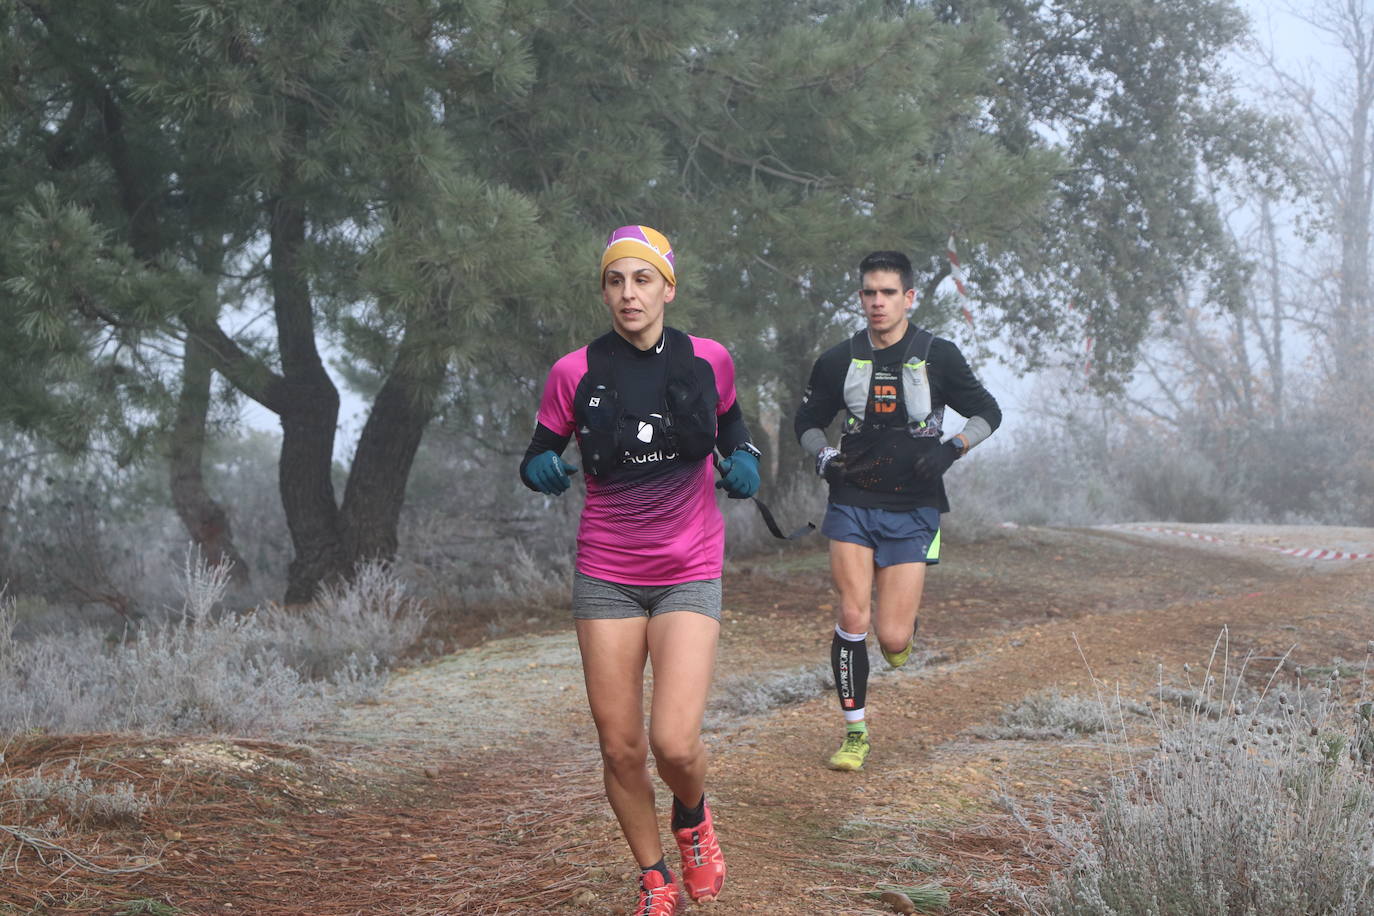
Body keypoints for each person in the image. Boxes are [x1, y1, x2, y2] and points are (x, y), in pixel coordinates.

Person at [519, 225, 760, 915]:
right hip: (607, 573)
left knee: (674, 742)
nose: (629, 293)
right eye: (616, 280)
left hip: (688, 566)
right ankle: (654, 878)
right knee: (622, 748)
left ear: (668, 288)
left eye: (643, 279)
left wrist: (745, 463)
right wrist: (540, 470)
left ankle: (693, 818)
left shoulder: (708, 359)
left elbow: (734, 427)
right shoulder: (574, 372)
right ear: (604, 290)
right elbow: (541, 448)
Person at [793, 250, 1000, 772]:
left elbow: (988, 412)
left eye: (888, 292)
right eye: (869, 292)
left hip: (914, 506)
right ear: (861, 298)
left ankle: (901, 632)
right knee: (852, 615)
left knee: (892, 636)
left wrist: (951, 449)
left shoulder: (939, 354)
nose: (878, 302)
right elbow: (808, 421)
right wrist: (825, 459)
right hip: (853, 502)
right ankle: (855, 732)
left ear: (909, 297)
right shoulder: (838, 359)